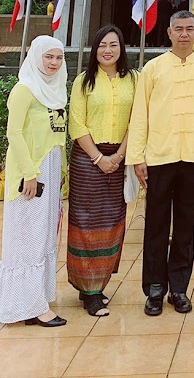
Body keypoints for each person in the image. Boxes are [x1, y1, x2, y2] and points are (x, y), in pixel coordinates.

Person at [126, 10, 194, 316]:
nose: (183, 34)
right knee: (155, 224)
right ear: (168, 33)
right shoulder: (152, 69)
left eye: (189, 29)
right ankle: (154, 288)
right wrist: (137, 156)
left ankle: (178, 288)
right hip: (159, 156)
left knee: (185, 225)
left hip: (193, 157)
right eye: (177, 28)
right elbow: (140, 114)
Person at [67, 26, 136, 317]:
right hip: (87, 160)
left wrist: (119, 156)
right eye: (101, 45)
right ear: (94, 50)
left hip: (118, 159)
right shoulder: (84, 82)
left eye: (113, 44)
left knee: (112, 221)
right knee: (86, 223)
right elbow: (77, 124)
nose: (107, 50)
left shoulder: (134, 80)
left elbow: (138, 120)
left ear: (121, 48)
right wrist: (99, 159)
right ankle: (88, 291)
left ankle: (99, 282)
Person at [0, 36, 68, 327]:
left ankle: (36, 298)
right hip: (32, 175)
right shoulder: (24, 89)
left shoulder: (55, 90)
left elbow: (57, 137)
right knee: (27, 237)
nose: (53, 63)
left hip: (50, 172)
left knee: (42, 236)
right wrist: (30, 173)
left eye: (58, 58)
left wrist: (62, 170)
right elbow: (13, 134)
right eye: (48, 57)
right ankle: (27, 306)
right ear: (36, 57)